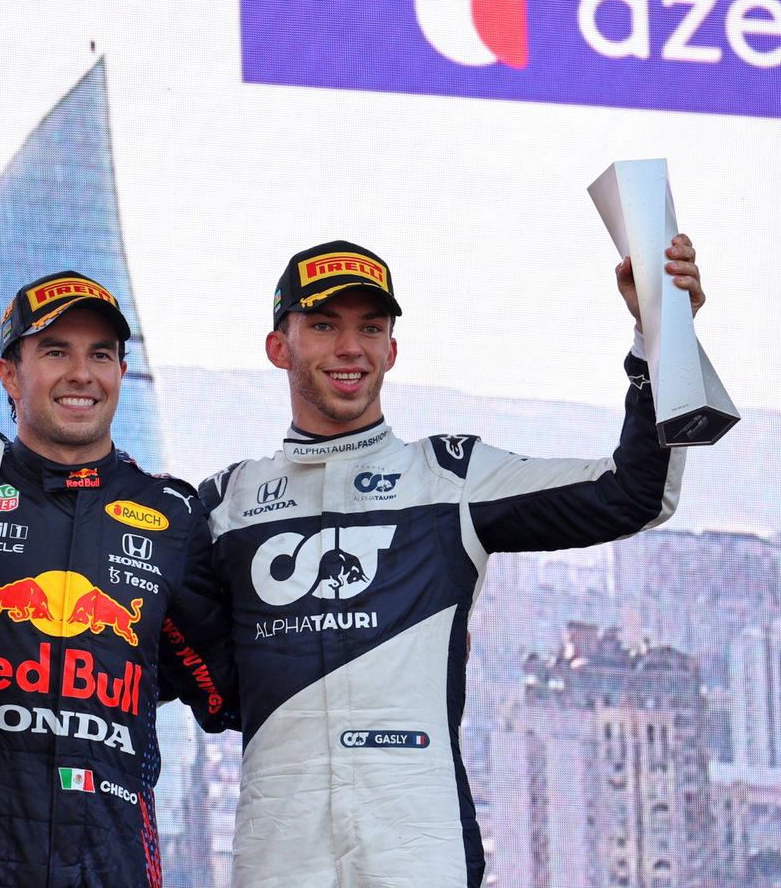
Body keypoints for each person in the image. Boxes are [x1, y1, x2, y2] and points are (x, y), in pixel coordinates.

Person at [198, 238, 703, 887]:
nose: (350, 347)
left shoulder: (451, 477)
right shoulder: (227, 502)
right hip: (277, 856)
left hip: (421, 848)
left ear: (391, 350)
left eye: (370, 328)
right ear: (278, 347)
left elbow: (634, 494)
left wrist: (662, 334)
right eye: (324, 326)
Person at [0, 271, 236, 888]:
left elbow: (227, 691)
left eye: (101, 354)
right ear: (9, 373)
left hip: (111, 859)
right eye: (56, 351)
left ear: (119, 373)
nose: (82, 373)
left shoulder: (173, 514)